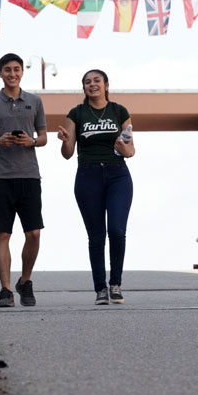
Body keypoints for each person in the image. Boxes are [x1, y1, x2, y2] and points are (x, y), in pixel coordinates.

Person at [0, 53, 48, 308]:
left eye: (16, 69)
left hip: (29, 175)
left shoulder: (35, 101)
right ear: (0, 73)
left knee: (34, 234)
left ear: (21, 73)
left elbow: (44, 137)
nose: (12, 73)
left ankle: (25, 281)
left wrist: (33, 141)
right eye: (7, 69)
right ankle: (5, 290)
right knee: (2, 235)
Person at [58, 69, 135, 305]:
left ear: (106, 85)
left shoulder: (119, 111)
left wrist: (123, 149)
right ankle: (100, 288)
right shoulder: (77, 113)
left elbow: (130, 150)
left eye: (96, 81)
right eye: (87, 82)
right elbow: (67, 155)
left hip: (117, 175)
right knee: (96, 236)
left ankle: (116, 284)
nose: (92, 85)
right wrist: (66, 142)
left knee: (116, 230)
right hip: (87, 175)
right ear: (84, 88)